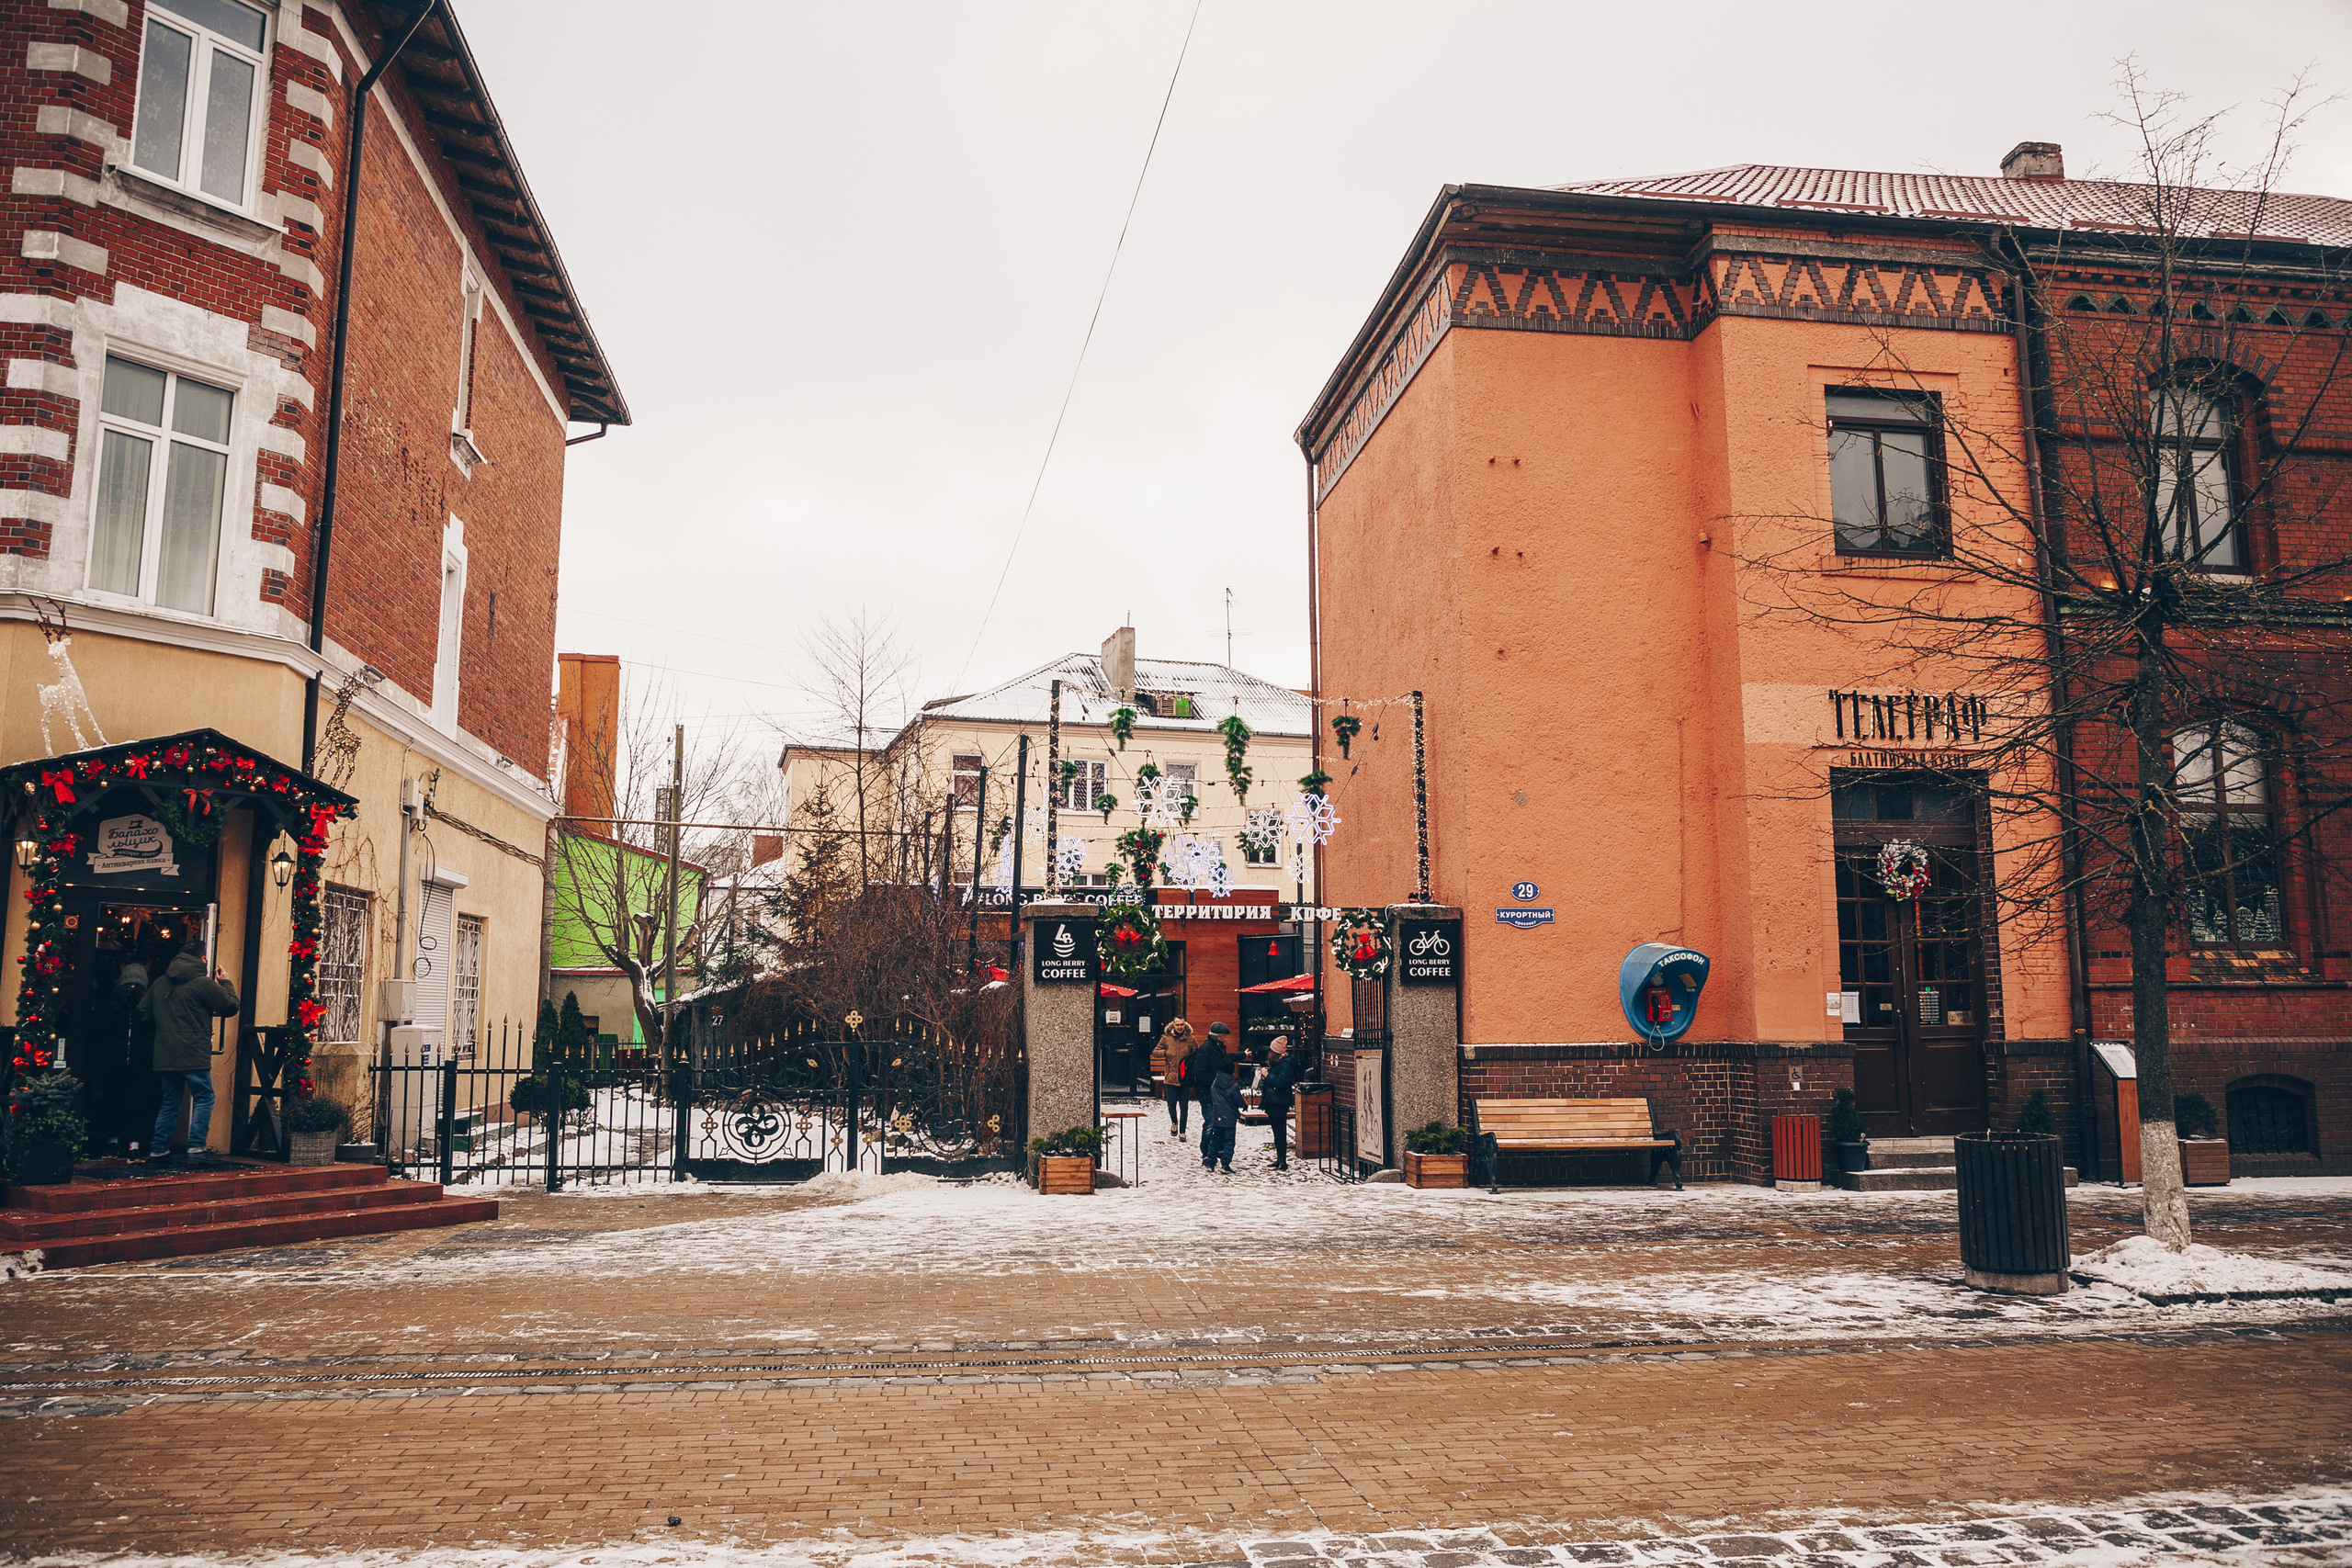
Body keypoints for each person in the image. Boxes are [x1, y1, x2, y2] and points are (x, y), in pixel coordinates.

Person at [139, 941, 239, 1167]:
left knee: (170, 1102)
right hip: (193, 1051)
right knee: (204, 1097)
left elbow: (143, 1013)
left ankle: (159, 1150)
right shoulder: (202, 984)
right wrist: (225, 982)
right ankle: (196, 1147)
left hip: (166, 1052)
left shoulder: (160, 983)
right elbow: (231, 1006)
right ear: (202, 959)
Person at [1260, 1033, 1304, 1170]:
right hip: (1273, 1101)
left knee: (1279, 1131)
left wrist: (1268, 1075)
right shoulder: (1281, 1063)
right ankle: (1280, 1159)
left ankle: (1282, 1161)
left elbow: (1281, 1082)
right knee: (1276, 1131)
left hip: (1279, 1102)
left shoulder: (1286, 1064)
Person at [1182, 1026, 1229, 1148]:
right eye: (1224, 1035)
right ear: (1219, 1036)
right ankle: (1206, 1150)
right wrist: (1216, 1083)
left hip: (1213, 1092)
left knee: (1215, 1122)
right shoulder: (1207, 1048)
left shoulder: (1216, 1048)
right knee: (1210, 1123)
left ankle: (1214, 1148)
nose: (1226, 1038)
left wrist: (1241, 1055)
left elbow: (1226, 1059)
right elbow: (1200, 1073)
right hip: (1207, 1093)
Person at [1151, 1018, 1196, 1138]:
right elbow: (1155, 1052)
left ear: (1185, 1025)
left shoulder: (1190, 1040)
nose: (1180, 1027)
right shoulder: (1166, 1038)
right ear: (1173, 1025)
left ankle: (1182, 1132)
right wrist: (1165, 1052)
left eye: (1182, 1024)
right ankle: (1174, 1122)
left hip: (1184, 1079)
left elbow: (1196, 1056)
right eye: (1177, 1025)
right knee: (1171, 1104)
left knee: (1184, 1107)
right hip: (1170, 1078)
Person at [1202, 1058, 1242, 1174]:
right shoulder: (1233, 1085)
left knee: (1215, 1140)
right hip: (1230, 1117)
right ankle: (1225, 1164)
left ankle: (1211, 1161)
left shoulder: (1215, 1082)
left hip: (1217, 1116)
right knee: (1229, 1141)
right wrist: (1242, 1105)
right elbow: (1238, 1099)